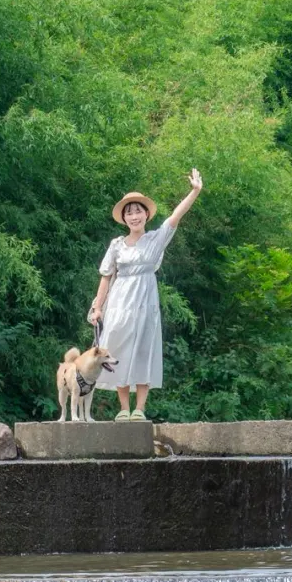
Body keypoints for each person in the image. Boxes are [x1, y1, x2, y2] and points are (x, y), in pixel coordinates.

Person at [87, 169, 203, 421]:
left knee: (143, 349)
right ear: (124, 218)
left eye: (138, 211)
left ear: (146, 214)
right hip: (119, 302)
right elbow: (106, 276)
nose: (134, 216)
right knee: (116, 347)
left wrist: (194, 191)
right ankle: (123, 408)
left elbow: (175, 215)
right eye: (129, 212)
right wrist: (97, 308)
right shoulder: (116, 244)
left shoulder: (155, 240)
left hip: (145, 302)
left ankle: (140, 408)